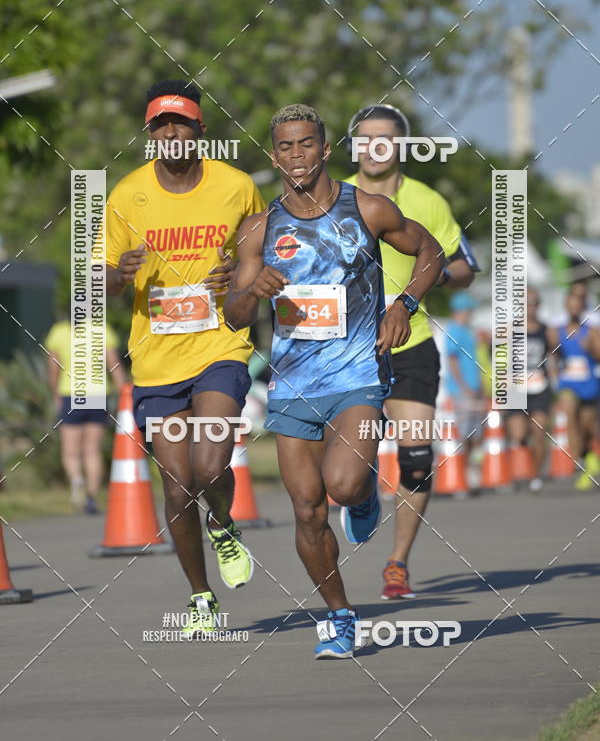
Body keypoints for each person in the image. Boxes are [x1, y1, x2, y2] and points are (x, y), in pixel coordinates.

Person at [224, 104, 443, 658]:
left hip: (358, 374)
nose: (296, 156)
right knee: (306, 510)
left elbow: (430, 251)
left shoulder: (366, 208)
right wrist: (253, 291)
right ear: (274, 156)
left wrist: (405, 304)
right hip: (293, 385)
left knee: (342, 486)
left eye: (306, 144)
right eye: (285, 147)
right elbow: (234, 316)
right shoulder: (259, 229)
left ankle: (363, 495)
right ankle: (339, 615)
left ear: (324, 149)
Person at [105, 79, 265, 636]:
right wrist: (118, 275)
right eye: (160, 125)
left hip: (220, 345)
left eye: (180, 123)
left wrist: (239, 272)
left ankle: (223, 523)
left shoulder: (237, 186)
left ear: (201, 129)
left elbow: (263, 253)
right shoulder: (127, 195)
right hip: (156, 359)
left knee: (211, 467)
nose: (171, 133)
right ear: (150, 134)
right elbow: (99, 282)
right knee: (177, 486)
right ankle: (201, 599)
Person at [344, 104, 477, 601]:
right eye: (365, 138)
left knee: (417, 457)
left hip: (412, 342)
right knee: (348, 464)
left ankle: (397, 563)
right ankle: (361, 496)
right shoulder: (333, 196)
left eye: (385, 138)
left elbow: (465, 266)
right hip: (348, 349)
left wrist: (431, 277)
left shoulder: (427, 200)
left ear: (402, 145)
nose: (375, 147)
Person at [46, 317, 127, 513]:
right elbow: (114, 365)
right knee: (93, 450)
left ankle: (77, 481)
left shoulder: (59, 331)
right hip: (97, 394)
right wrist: (125, 393)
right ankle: (91, 496)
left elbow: (54, 367)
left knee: (70, 451)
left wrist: (55, 393)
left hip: (71, 394)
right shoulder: (102, 329)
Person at [548, 281, 600, 491]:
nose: (573, 309)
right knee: (570, 416)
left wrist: (591, 349)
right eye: (570, 305)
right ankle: (578, 461)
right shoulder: (557, 331)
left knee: (588, 426)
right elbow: (551, 355)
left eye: (577, 305)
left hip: (588, 382)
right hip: (568, 383)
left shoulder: (592, 330)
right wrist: (554, 376)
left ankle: (588, 455)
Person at [504, 289, 557, 492]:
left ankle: (535, 475)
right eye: (526, 302)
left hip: (539, 386)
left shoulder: (547, 330)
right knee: (518, 434)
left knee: (540, 431)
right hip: (516, 388)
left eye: (534, 302)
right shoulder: (511, 329)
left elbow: (554, 356)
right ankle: (520, 467)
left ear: (539, 305)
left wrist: (555, 384)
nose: (530, 306)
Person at [444, 291, 484, 450]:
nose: (471, 314)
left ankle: (471, 463)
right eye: (470, 311)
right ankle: (463, 464)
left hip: (473, 389)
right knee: (464, 433)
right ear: (463, 310)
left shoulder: (466, 331)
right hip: (462, 390)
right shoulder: (454, 330)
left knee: (476, 432)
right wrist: (464, 387)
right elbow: (452, 361)